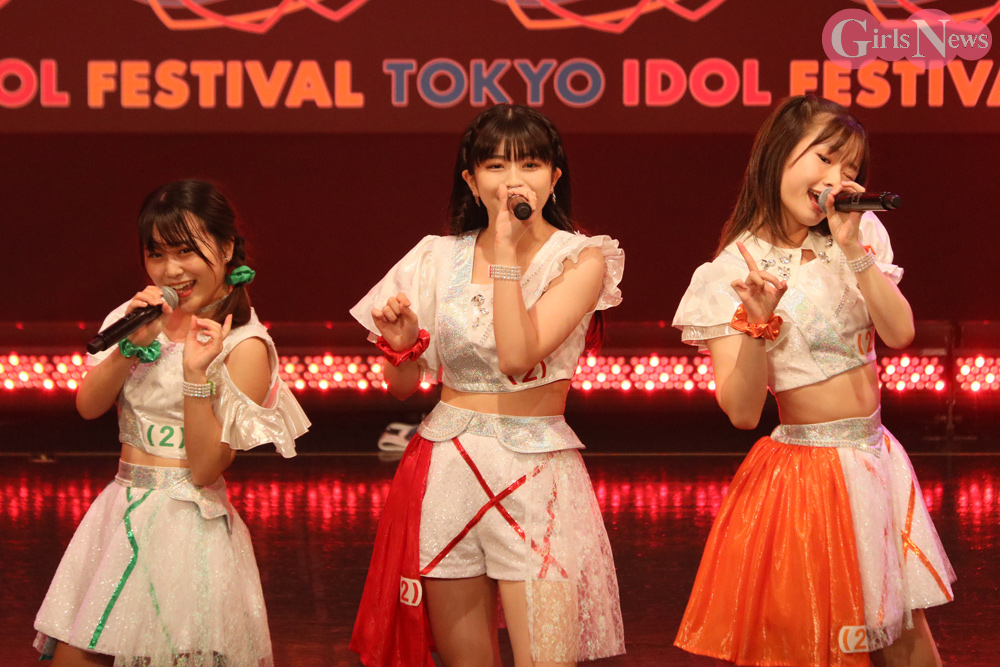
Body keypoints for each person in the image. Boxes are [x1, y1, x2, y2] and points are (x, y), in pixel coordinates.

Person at [672, 95, 954, 667]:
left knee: (904, 628)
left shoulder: (859, 232)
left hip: (876, 456)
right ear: (778, 154)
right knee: (823, 635)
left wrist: (852, 250)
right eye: (824, 159)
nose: (835, 179)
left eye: (849, 168)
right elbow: (742, 412)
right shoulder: (732, 270)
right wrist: (756, 325)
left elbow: (899, 332)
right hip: (808, 473)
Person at [349, 103, 626, 667]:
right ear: (472, 182)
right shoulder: (435, 257)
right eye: (496, 166)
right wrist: (402, 345)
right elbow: (402, 386)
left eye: (530, 164)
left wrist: (502, 254)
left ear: (554, 177)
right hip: (447, 467)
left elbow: (519, 356)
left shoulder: (581, 258)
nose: (513, 180)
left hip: (535, 473)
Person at [33, 179, 310, 667]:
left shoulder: (244, 344)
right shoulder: (137, 316)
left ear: (227, 248)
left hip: (186, 529)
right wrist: (129, 345)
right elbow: (88, 405)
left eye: (185, 251)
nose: (171, 270)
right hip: (119, 510)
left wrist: (195, 375)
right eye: (156, 254)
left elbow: (205, 469)